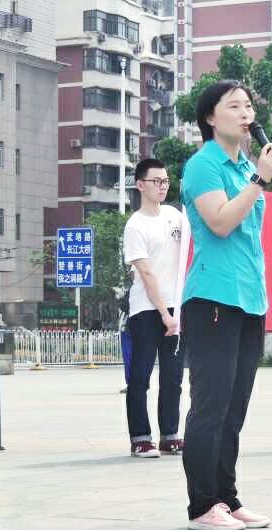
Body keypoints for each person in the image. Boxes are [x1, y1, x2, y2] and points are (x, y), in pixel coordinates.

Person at [180, 80, 272, 530]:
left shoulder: (244, 167)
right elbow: (220, 223)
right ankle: (202, 505)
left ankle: (227, 497)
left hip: (249, 300)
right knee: (211, 406)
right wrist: (259, 181)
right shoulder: (203, 165)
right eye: (235, 106)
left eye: (248, 107)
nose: (246, 114)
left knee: (235, 407)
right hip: (213, 300)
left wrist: (255, 177)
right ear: (210, 117)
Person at [122, 158, 185, 458]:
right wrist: (164, 314)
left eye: (166, 181)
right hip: (147, 311)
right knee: (140, 377)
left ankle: (170, 436)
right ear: (140, 185)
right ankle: (140, 438)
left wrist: (177, 312)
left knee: (173, 377)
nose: (162, 186)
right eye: (156, 181)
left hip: (176, 308)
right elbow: (146, 273)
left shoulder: (174, 216)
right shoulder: (135, 225)